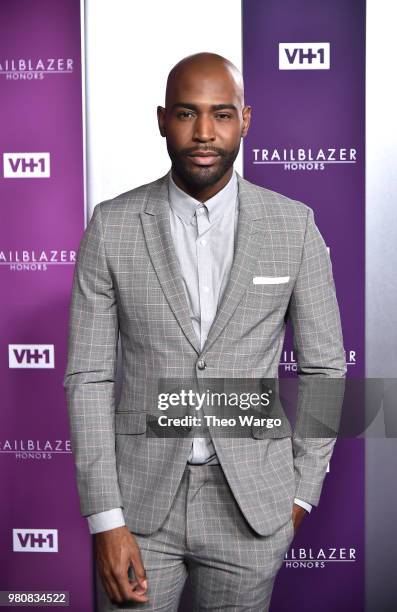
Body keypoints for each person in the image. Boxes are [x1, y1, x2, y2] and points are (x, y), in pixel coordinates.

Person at [63, 52, 346, 611]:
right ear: (163, 119)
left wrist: (300, 493)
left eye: (221, 114)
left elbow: (324, 369)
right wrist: (106, 519)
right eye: (188, 113)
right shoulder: (112, 225)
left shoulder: (294, 226)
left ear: (245, 119)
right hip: (140, 509)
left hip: (252, 508)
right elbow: (89, 377)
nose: (204, 133)